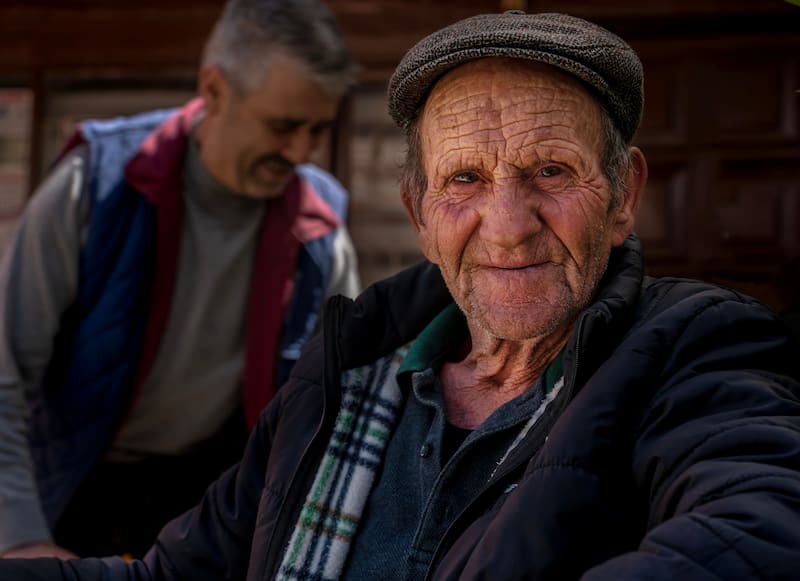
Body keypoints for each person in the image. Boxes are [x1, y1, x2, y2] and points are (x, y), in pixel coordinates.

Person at [2, 9, 800, 580]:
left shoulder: (698, 348)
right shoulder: (345, 370)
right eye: (464, 178)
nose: (509, 226)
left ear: (624, 193)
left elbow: (761, 526)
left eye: (551, 171)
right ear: (419, 213)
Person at [0, 0, 360, 562]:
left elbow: (335, 404)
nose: (301, 151)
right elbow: (5, 371)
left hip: (214, 505)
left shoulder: (320, 228)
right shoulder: (91, 187)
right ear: (213, 89)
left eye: (317, 129)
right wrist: (18, 535)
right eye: (283, 126)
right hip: (68, 486)